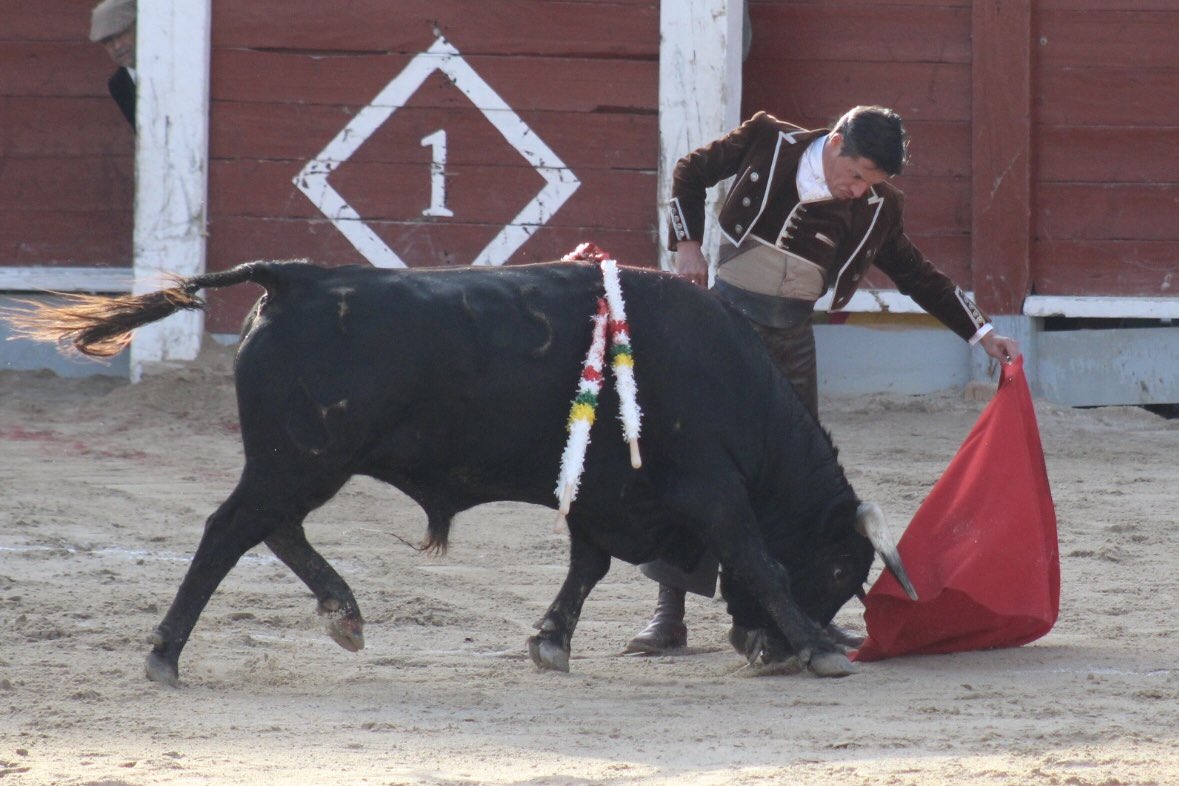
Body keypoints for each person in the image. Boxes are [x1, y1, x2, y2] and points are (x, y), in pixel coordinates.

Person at [627, 106, 1022, 656]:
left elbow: (915, 274)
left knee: (796, 479)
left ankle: (788, 613)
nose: (859, 190)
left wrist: (982, 333)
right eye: (856, 175)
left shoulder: (881, 206)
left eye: (872, 182)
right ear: (834, 142)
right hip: (723, 327)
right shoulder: (770, 140)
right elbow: (690, 171)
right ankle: (669, 614)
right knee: (697, 460)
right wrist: (686, 242)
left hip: (791, 339)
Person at [90, 0, 136, 128]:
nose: (117, 46)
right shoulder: (118, 84)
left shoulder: (175, 66)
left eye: (121, 34)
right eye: (107, 41)